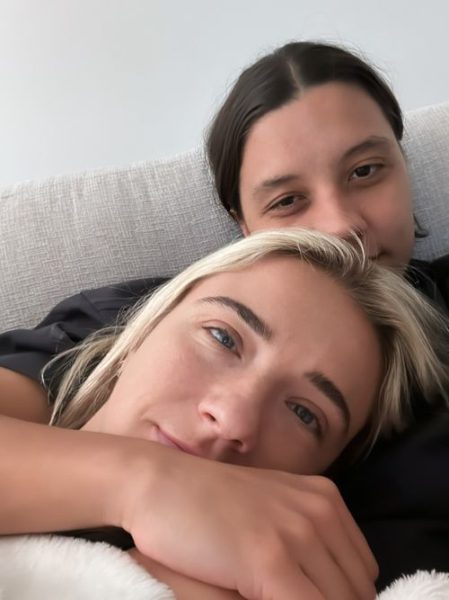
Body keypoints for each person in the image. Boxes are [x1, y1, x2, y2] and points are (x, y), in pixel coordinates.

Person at [0, 39, 448, 592]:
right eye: (287, 201)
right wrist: (147, 483)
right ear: (243, 225)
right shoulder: (138, 318)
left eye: (366, 171)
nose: (339, 227)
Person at [2, 229, 449, 600]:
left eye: (303, 413)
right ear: (146, 327)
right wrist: (144, 483)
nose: (233, 418)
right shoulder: (54, 372)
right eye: (223, 337)